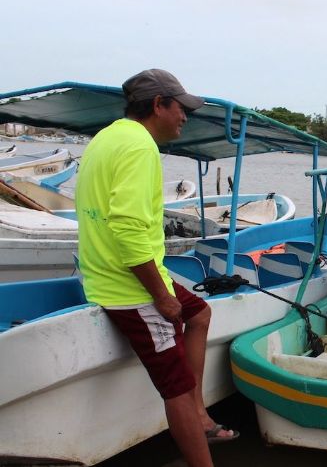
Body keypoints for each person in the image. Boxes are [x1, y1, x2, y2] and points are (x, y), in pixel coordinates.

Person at [75, 69, 236, 467]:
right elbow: (127, 228)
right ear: (159, 105)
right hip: (130, 289)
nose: (186, 117)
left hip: (112, 274)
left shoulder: (108, 136)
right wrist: (161, 297)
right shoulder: (139, 147)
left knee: (199, 312)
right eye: (181, 108)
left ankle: (199, 415)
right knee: (176, 387)